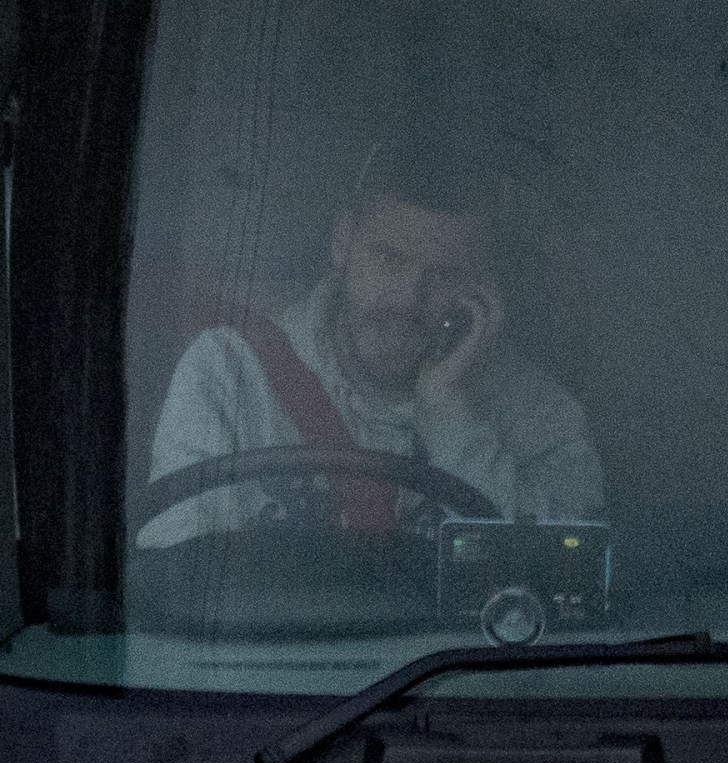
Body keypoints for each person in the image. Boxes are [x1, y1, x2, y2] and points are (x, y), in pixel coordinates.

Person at [137, 138, 604, 548]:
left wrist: (450, 419)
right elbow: (182, 575)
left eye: (444, 275)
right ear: (343, 243)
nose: (407, 299)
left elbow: (569, 580)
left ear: (483, 288)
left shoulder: (541, 415)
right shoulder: (228, 373)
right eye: (388, 258)